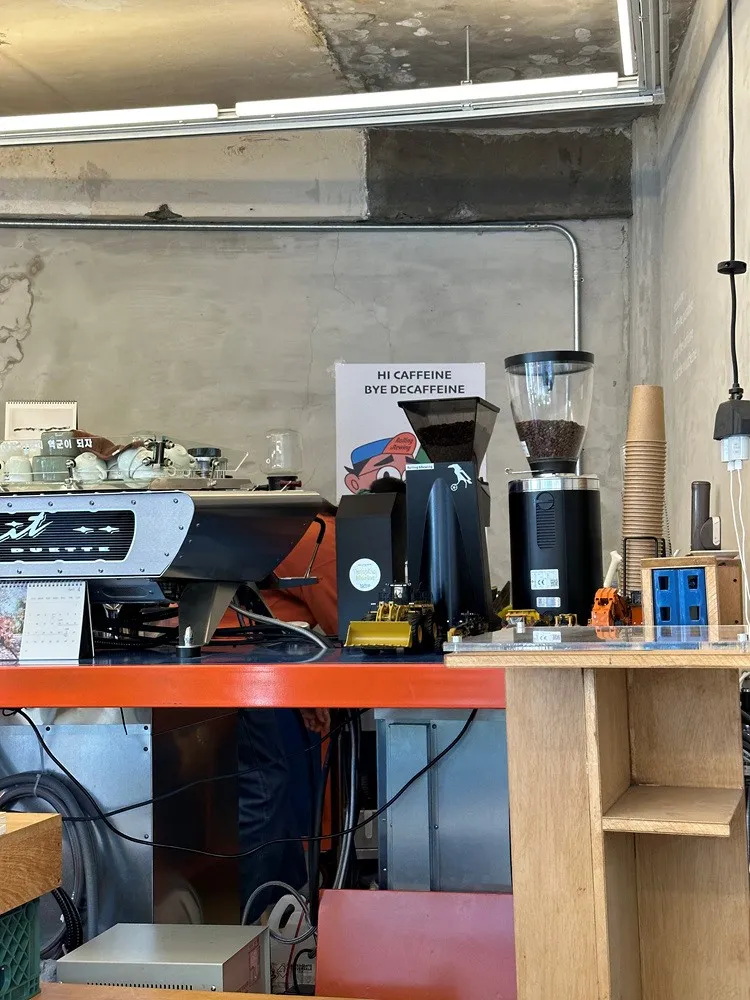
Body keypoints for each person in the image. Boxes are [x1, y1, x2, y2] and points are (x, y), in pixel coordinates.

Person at [238, 513, 336, 921]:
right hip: (244, 668)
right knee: (265, 792)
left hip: (249, 663)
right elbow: (349, 623)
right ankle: (247, 924)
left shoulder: (298, 528)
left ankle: (280, 908)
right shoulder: (323, 537)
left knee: (268, 794)